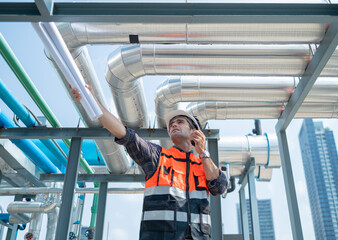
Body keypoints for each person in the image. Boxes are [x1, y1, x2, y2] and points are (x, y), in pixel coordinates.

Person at [71, 85, 228, 240]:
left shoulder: (203, 165)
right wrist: (92, 102)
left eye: (180, 122)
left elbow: (220, 187)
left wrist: (203, 153)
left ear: (195, 132)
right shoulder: (158, 157)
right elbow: (125, 134)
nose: (173, 124)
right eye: (171, 124)